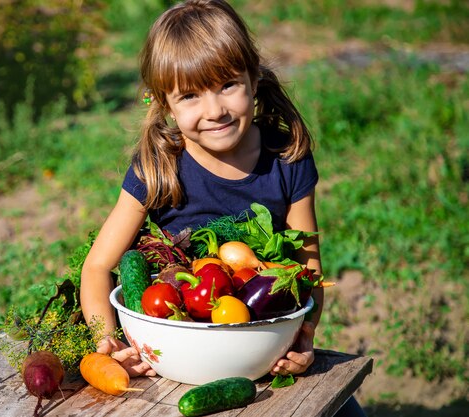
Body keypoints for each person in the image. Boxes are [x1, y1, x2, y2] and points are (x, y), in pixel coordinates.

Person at [80, 1, 365, 415]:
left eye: (228, 85)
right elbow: (97, 267)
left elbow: (308, 267)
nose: (214, 111)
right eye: (191, 96)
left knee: (344, 410)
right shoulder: (160, 169)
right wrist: (106, 342)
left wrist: (304, 336)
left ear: (254, 80)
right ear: (165, 104)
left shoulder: (287, 159)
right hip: (177, 354)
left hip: (261, 347)